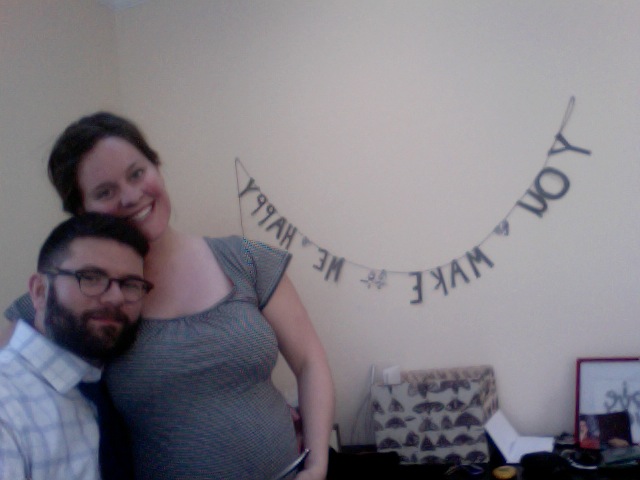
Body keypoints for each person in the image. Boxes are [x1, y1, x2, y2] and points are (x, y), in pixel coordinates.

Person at [5, 112, 335, 479]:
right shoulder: (88, 297)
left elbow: (309, 361)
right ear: (82, 213)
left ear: (156, 167)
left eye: (137, 173)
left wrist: (317, 463)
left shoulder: (245, 259)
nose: (131, 196)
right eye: (105, 192)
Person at [0, 213, 152, 480]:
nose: (116, 297)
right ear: (39, 291)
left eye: (130, 284)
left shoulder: (111, 389)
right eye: (91, 277)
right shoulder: (7, 405)